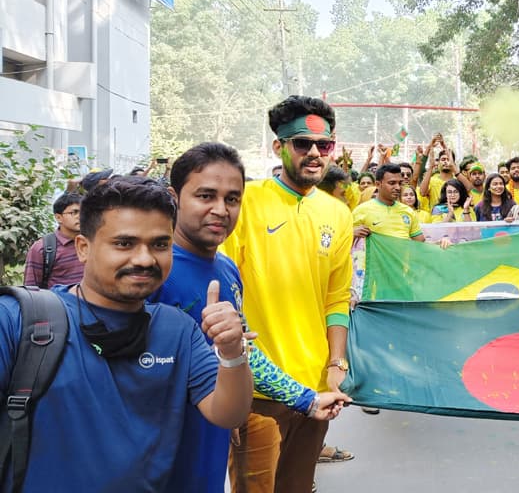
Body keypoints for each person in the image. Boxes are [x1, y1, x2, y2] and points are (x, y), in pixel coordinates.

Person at [0, 176, 253, 489]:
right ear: (83, 247)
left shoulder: (177, 330)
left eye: (160, 244)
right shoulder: (19, 320)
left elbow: (228, 413)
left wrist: (231, 353)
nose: (145, 259)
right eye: (124, 243)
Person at [161, 142, 351, 492]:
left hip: (207, 445)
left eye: (232, 199)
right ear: (175, 197)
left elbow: (244, 353)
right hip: (155, 454)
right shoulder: (152, 269)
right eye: (205, 196)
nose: (220, 209)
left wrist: (307, 400)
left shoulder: (227, 269)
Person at [222, 95, 354, 492]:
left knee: (298, 487)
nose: (315, 153)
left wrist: (336, 364)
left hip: (316, 388)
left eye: (324, 145)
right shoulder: (246, 203)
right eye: (302, 144)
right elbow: (227, 296)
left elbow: (337, 298)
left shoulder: (338, 213)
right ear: (278, 146)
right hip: (259, 392)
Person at [23, 192, 85, 288]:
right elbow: (31, 290)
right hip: (59, 302)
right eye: (74, 212)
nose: (80, 216)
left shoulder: (92, 241)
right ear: (58, 217)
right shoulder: (43, 248)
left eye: (84, 212)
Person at [353, 163, 426, 241]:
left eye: (400, 183)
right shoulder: (361, 210)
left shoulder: (408, 211)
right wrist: (351, 233)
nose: (398, 187)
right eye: (392, 183)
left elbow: (420, 242)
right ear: (378, 184)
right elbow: (345, 244)